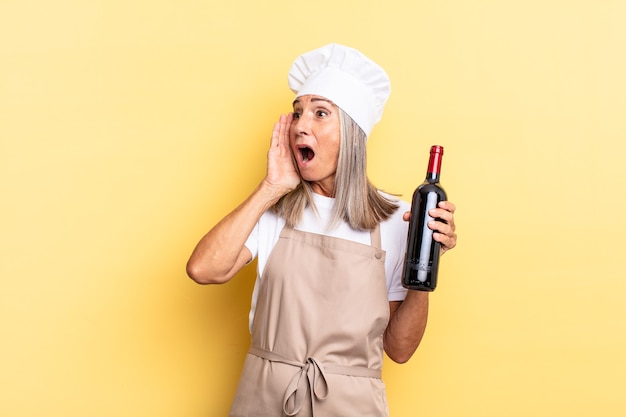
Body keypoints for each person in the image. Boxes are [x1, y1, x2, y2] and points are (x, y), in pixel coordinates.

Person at [186, 43, 457, 417]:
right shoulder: (273, 211)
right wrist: (271, 187)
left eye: (319, 113)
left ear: (352, 133)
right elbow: (204, 270)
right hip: (265, 401)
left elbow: (400, 349)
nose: (301, 125)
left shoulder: (398, 220)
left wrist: (425, 267)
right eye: (297, 113)